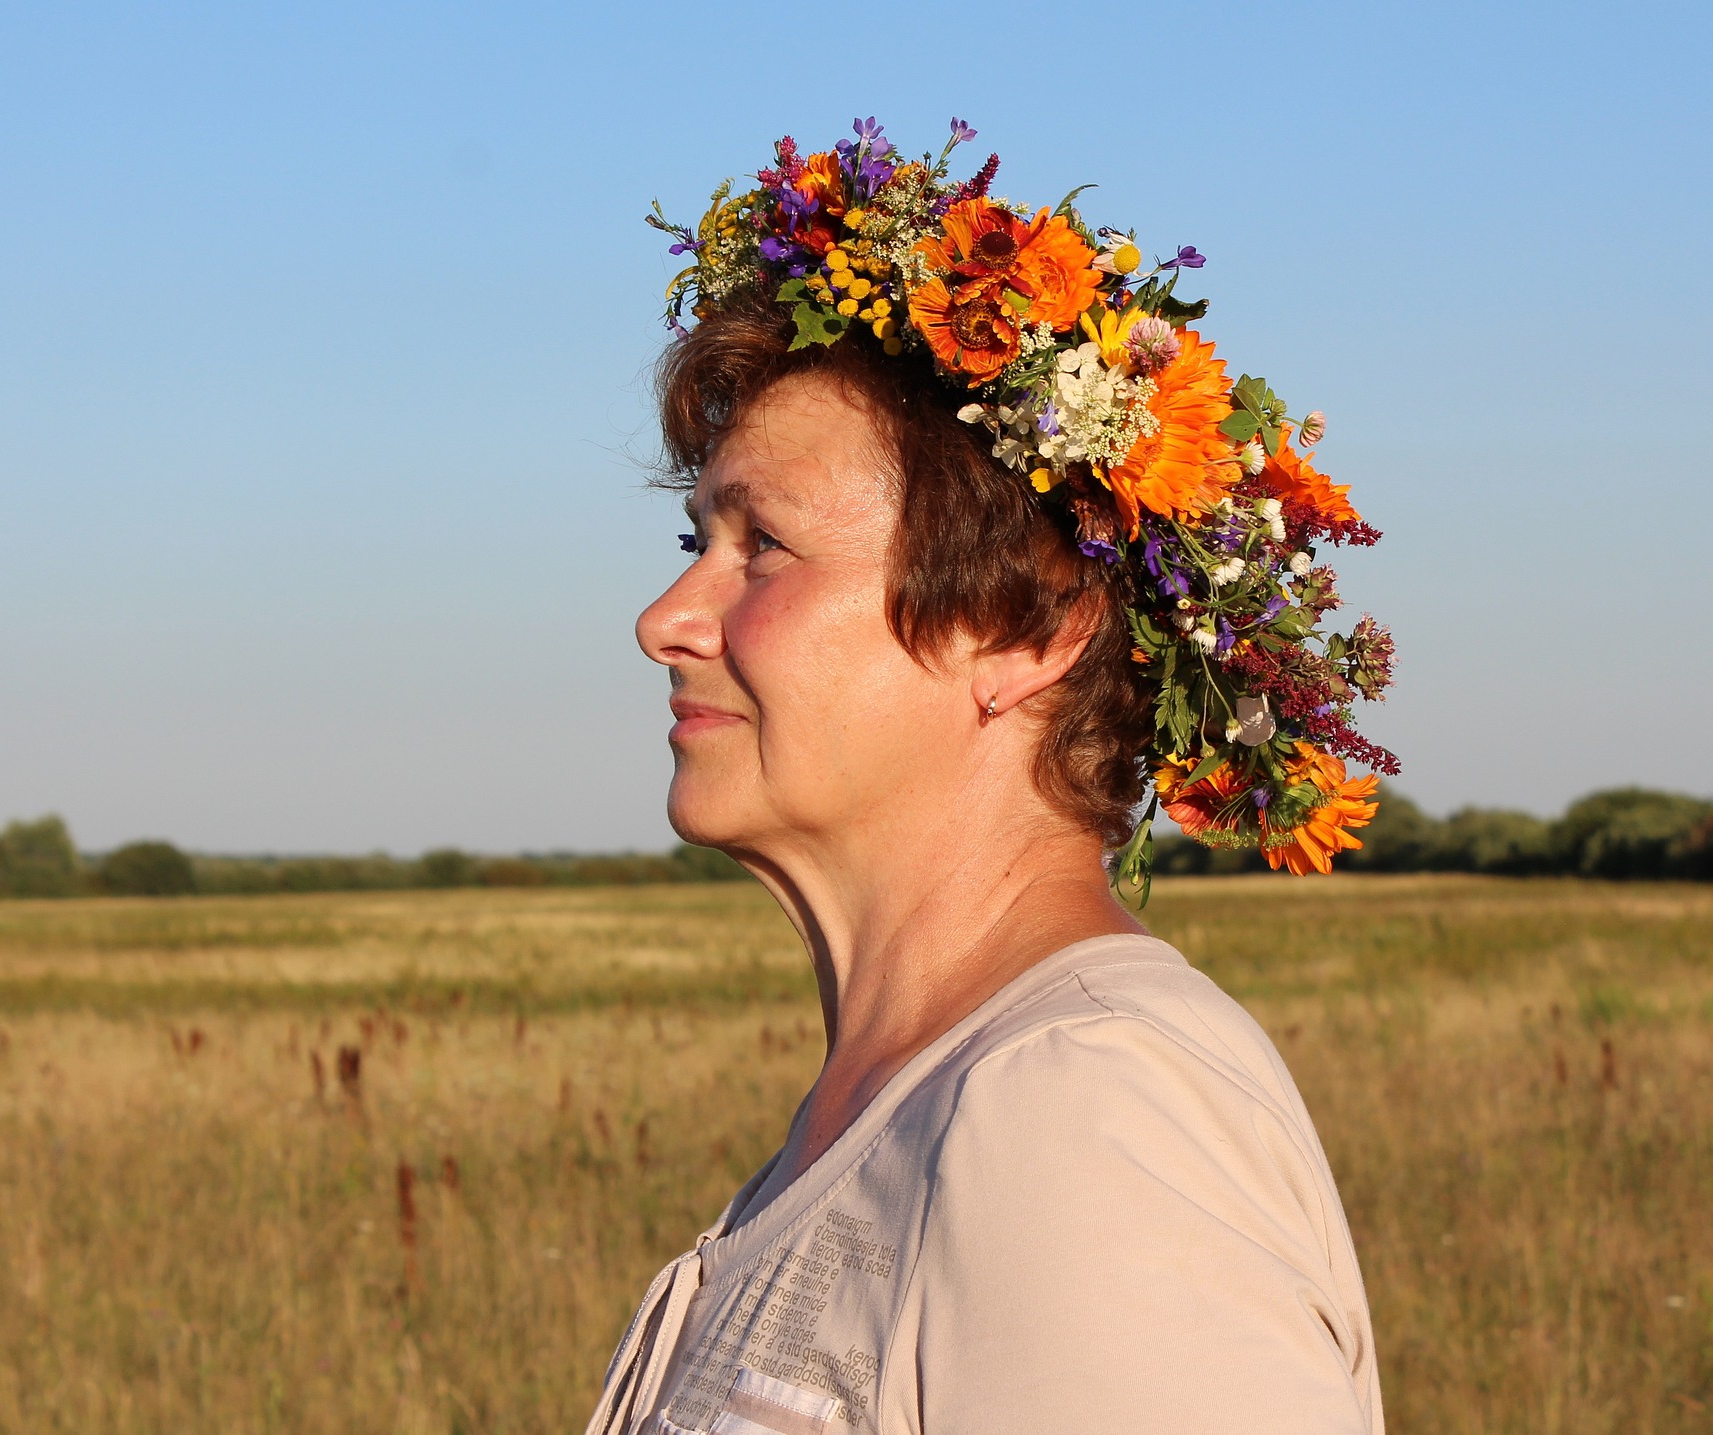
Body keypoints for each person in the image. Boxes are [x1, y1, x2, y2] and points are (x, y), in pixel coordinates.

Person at [586, 118, 1397, 1435]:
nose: (665, 619)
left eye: (764, 545)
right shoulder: (922, 1097)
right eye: (698, 541)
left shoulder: (1085, 1117)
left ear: (1026, 631)